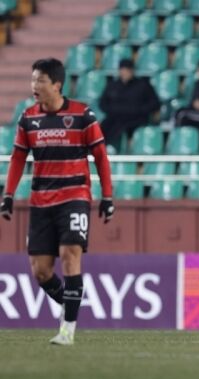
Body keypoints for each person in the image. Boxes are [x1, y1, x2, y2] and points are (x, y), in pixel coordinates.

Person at [0, 58, 114, 345]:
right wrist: (9, 194)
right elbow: (17, 159)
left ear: (56, 85)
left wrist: (107, 196)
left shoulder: (82, 115)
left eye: (40, 81)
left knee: (69, 255)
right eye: (32, 80)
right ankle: (69, 302)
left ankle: (68, 330)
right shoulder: (28, 118)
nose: (34, 86)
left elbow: (100, 156)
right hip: (40, 201)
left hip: (74, 196)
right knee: (40, 271)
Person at [98, 58, 160, 152]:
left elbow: (154, 103)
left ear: (132, 71)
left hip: (136, 119)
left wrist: (139, 110)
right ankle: (104, 150)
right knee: (101, 129)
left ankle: (124, 149)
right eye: (122, 70)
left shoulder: (143, 85)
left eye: (127, 70)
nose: (125, 73)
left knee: (127, 130)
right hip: (115, 118)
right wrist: (114, 110)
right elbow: (103, 103)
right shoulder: (112, 85)